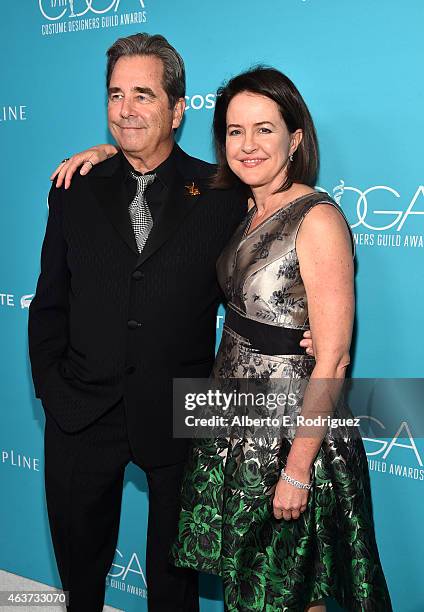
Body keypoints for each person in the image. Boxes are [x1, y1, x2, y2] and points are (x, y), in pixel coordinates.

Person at [29, 33, 314, 611]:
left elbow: (274, 261)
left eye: (143, 94)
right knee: (79, 581)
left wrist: (303, 332)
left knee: (174, 591)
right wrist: (54, 391)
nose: (127, 109)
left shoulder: (223, 193)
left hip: (181, 414)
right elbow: (49, 302)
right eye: (115, 95)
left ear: (178, 109)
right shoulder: (73, 187)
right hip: (80, 412)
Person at [169, 68, 393, 611]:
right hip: (236, 422)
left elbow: (334, 357)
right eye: (234, 130)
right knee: (253, 591)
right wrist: (105, 154)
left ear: (295, 139)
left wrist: (297, 468)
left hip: (293, 435)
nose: (247, 145)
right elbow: (159, 172)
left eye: (264, 129)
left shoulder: (316, 219)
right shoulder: (243, 206)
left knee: (290, 591)